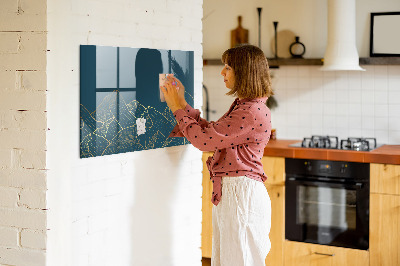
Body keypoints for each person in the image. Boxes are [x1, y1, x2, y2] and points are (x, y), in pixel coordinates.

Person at [161, 44, 273, 266]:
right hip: (236, 193)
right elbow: (211, 133)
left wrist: (176, 107)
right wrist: (182, 103)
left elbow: (204, 141)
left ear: (244, 72)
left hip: (241, 195)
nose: (222, 72)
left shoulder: (250, 111)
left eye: (228, 67)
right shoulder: (246, 106)